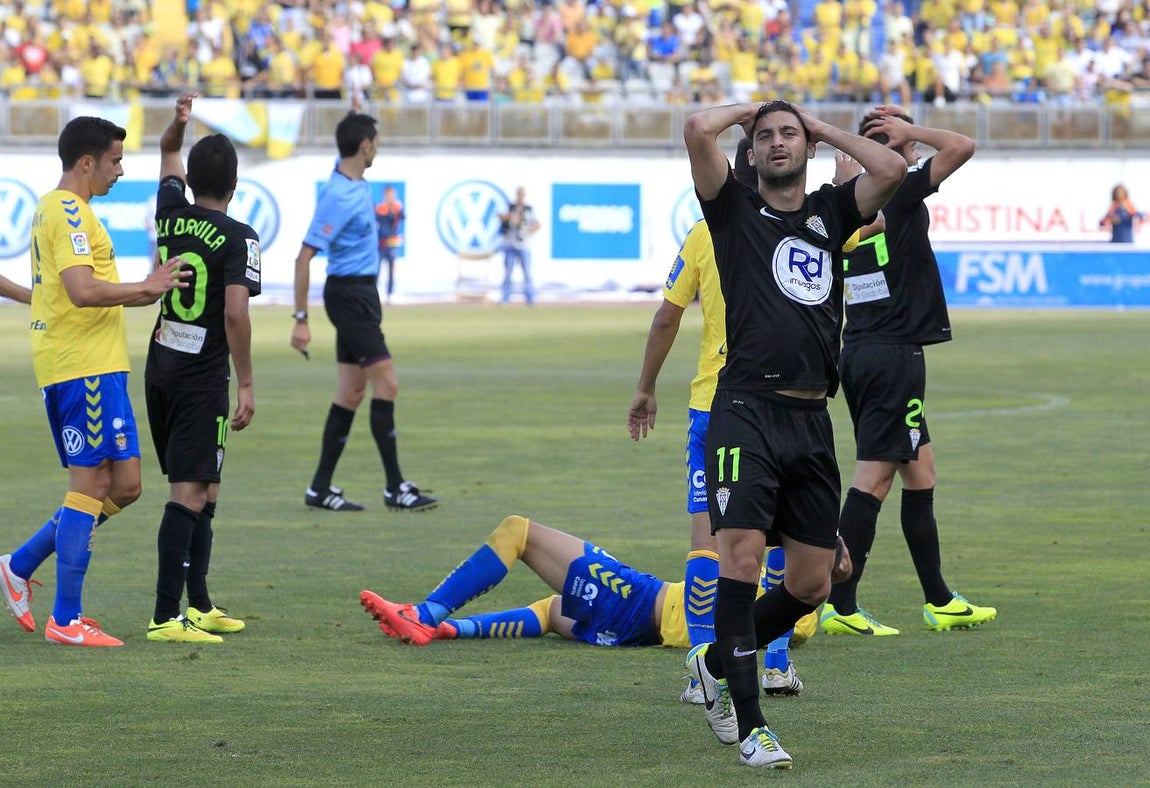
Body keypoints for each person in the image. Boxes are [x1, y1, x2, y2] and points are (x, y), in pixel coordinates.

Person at [681, 100, 905, 768]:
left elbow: (892, 167)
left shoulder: (832, 212)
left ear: (805, 147)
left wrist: (819, 125)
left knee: (814, 582)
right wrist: (753, 109)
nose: (776, 144)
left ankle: (715, 662)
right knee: (742, 561)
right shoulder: (731, 209)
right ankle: (753, 726)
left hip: (811, 419)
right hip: (744, 410)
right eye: (764, 138)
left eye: (788, 135)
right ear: (749, 153)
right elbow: (697, 129)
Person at [627, 141, 813, 705]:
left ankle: (701, 668)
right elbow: (874, 214)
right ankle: (775, 663)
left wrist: (645, 387)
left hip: (717, 406)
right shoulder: (804, 227)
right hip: (789, 404)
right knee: (782, 538)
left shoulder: (707, 232)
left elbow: (666, 315)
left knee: (709, 540)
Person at [0, 116, 188, 647]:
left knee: (126, 486)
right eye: (115, 161)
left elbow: (63, 288)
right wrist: (145, 286)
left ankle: (20, 563)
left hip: (99, 363)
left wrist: (144, 289)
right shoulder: (67, 211)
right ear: (87, 162)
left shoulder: (60, 209)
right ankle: (67, 619)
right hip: (80, 366)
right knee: (90, 486)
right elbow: (82, 291)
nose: (120, 171)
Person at [820, 106, 998, 638]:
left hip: (870, 347)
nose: (916, 151)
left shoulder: (849, 198)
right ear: (890, 147)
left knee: (920, 472)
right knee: (874, 476)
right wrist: (909, 134)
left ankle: (938, 598)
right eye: (905, 141)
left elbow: (844, 174)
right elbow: (962, 146)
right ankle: (839, 603)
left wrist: (852, 151)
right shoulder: (898, 188)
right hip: (891, 353)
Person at [360, 514, 851, 648]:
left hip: (641, 602)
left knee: (518, 532)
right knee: (554, 612)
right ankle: (449, 630)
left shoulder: (786, 602)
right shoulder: (797, 618)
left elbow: (741, 546)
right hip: (638, 627)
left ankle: (426, 615)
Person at [143, 93, 261, 643]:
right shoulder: (240, 237)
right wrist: (249, 381)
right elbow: (236, 310)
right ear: (235, 187)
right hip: (201, 378)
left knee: (205, 490)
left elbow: (167, 148)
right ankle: (167, 616)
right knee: (188, 493)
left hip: (162, 365)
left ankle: (200, 603)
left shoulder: (170, 211)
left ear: (189, 179)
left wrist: (178, 124)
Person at [290, 111, 437, 513]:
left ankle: (319, 488)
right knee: (386, 385)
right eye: (375, 142)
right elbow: (303, 258)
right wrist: (301, 321)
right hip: (349, 296)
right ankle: (395, 488)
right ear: (366, 146)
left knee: (352, 392)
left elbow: (348, 151)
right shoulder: (338, 195)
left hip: (361, 293)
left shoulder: (350, 180)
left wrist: (356, 111)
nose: (378, 148)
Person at [498, 187, 540, 306]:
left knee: (527, 273)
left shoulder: (529, 209)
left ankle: (530, 299)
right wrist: (511, 217)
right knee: (508, 273)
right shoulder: (510, 207)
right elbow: (500, 216)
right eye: (519, 194)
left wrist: (529, 229)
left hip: (524, 245)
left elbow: (537, 224)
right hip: (510, 244)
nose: (520, 196)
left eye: (522, 194)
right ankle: (505, 298)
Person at [374, 185, 404, 304]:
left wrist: (395, 210)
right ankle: (375, 294)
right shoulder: (380, 208)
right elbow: (378, 221)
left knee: (391, 270)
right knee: (377, 269)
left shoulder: (397, 207)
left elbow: (402, 217)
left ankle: (390, 293)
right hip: (381, 243)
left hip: (392, 242)